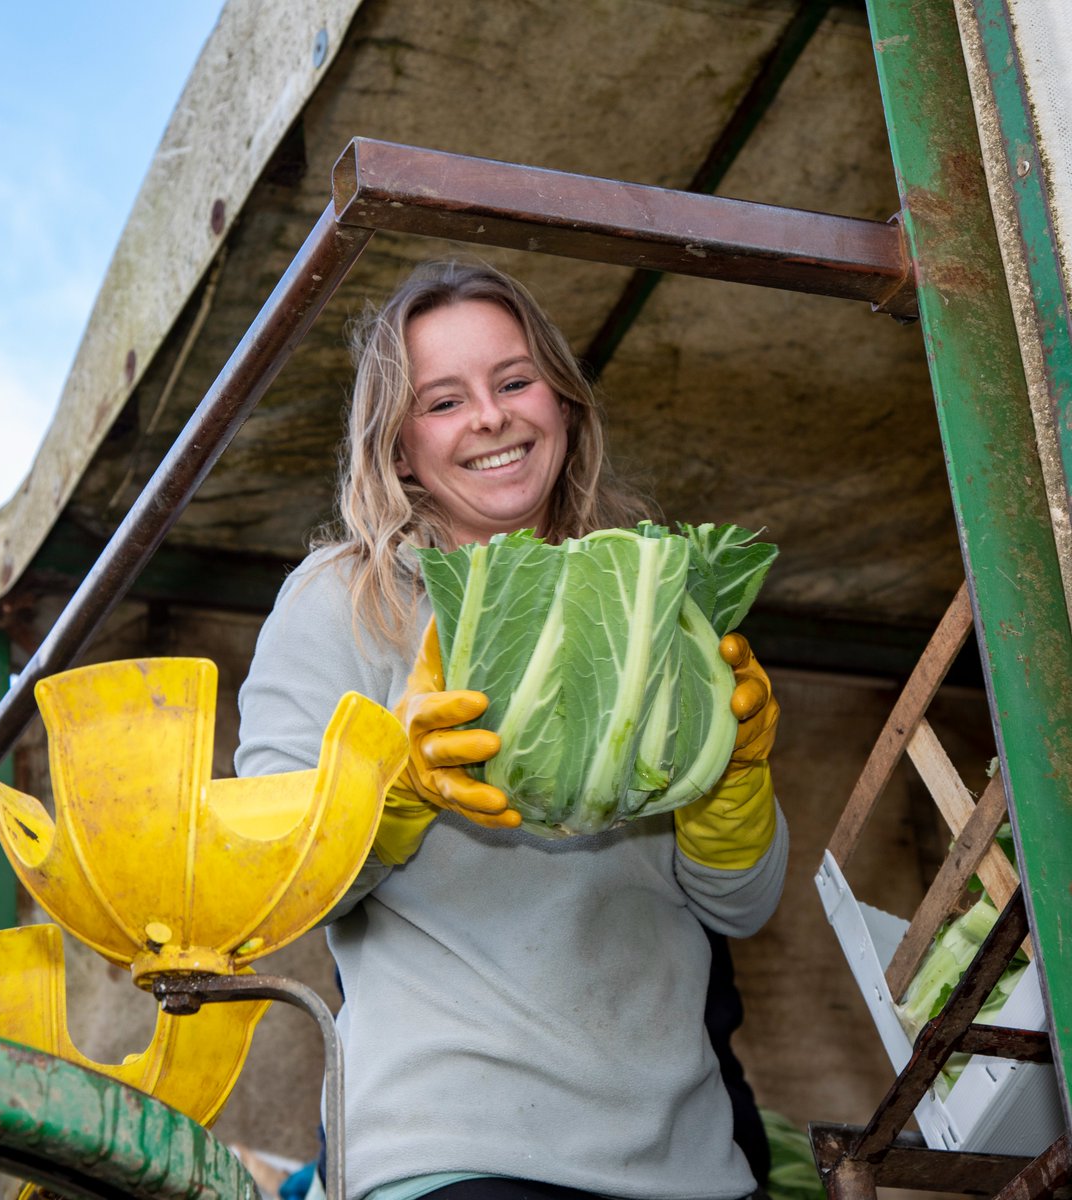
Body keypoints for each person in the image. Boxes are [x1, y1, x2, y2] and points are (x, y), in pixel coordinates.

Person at [236, 261, 786, 1200]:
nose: (490, 417)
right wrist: (389, 789)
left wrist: (732, 792)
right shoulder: (344, 602)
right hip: (453, 1155)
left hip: (694, 1169)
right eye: (444, 400)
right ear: (400, 449)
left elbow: (740, 909)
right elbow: (263, 886)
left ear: (562, 407)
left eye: (515, 381)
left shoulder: (651, 591)